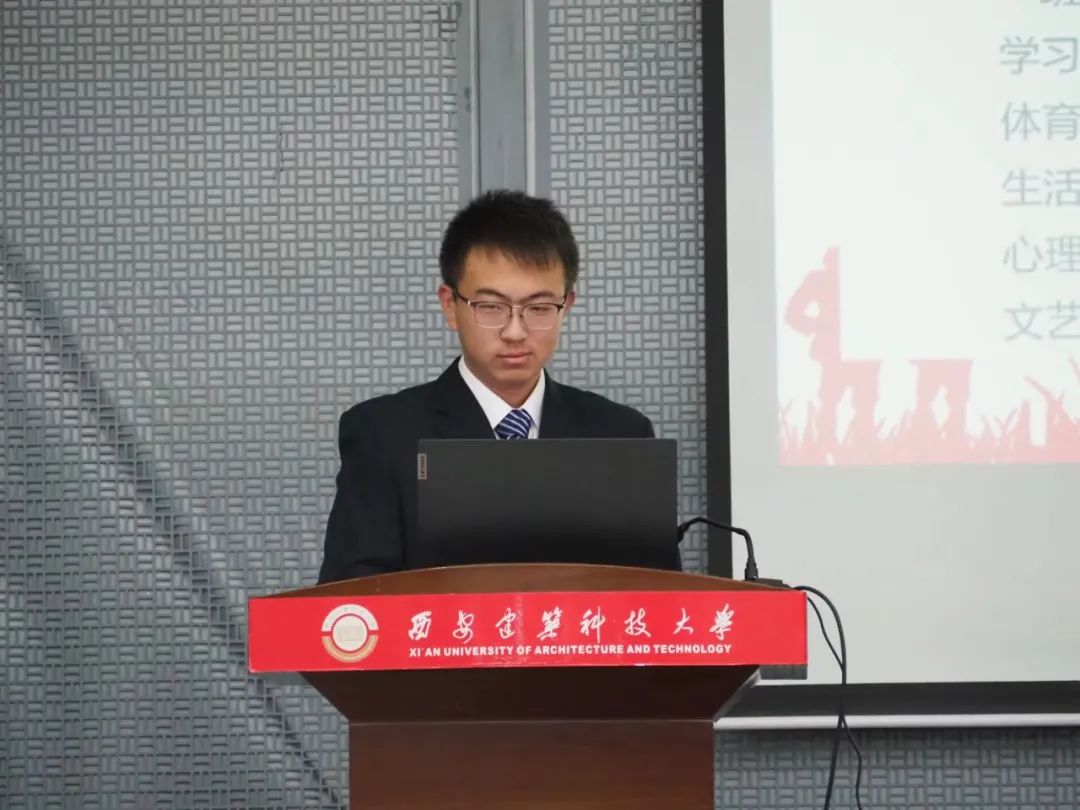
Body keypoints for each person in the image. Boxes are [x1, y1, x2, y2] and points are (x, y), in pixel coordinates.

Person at [317, 189, 657, 583]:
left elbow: (654, 595)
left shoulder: (621, 435)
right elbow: (351, 599)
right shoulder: (383, 434)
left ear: (567, 306)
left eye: (539, 308)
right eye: (491, 307)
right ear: (450, 305)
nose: (515, 331)